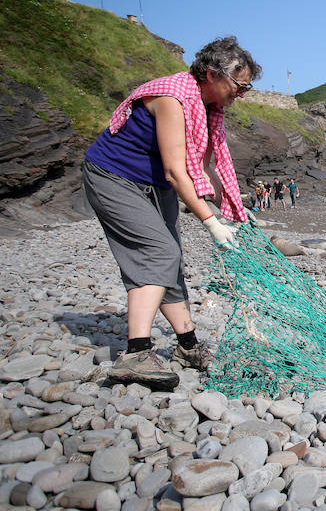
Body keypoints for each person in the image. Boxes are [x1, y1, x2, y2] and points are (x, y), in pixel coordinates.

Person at [82, 35, 261, 389]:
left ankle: (187, 347)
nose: (241, 94)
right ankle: (136, 354)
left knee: (171, 259)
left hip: (154, 186)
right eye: (239, 85)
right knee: (157, 253)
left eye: (247, 87)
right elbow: (176, 172)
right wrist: (210, 222)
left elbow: (204, 168)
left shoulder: (210, 110)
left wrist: (235, 210)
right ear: (212, 74)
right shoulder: (173, 97)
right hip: (114, 177)